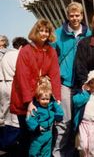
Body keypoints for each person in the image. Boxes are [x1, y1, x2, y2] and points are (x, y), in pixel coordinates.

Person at [10, 19, 61, 157]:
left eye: (46, 31)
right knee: (27, 135)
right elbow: (22, 77)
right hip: (24, 97)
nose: (44, 34)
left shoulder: (51, 50)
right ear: (36, 31)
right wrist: (28, 102)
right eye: (41, 30)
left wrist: (57, 97)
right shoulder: (26, 50)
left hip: (42, 97)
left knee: (42, 135)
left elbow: (55, 74)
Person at [51, 2, 91, 157]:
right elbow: (50, 54)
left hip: (83, 83)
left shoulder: (88, 34)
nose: (74, 18)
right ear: (67, 16)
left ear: (82, 16)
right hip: (65, 83)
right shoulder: (59, 33)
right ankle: (58, 153)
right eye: (71, 15)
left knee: (81, 121)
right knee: (64, 122)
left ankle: (75, 152)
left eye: (77, 15)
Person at [0, 37, 29, 153]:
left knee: (5, 114)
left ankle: (5, 140)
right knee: (14, 117)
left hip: (2, 84)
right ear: (22, 47)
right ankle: (9, 143)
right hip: (12, 85)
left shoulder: (6, 55)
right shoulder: (18, 55)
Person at [26, 76, 64, 157]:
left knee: (46, 152)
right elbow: (29, 119)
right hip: (38, 135)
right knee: (34, 152)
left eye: (47, 99)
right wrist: (37, 127)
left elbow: (59, 110)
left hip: (48, 134)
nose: (45, 101)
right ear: (38, 99)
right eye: (43, 99)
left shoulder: (51, 104)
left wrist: (58, 116)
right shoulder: (36, 108)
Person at [73, 70, 94, 157]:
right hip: (83, 123)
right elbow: (75, 101)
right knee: (83, 145)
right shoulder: (84, 94)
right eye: (91, 83)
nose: (93, 85)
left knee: (92, 147)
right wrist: (86, 94)